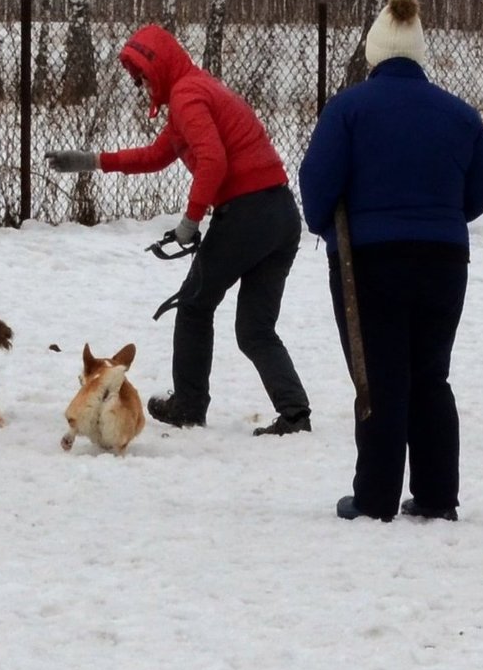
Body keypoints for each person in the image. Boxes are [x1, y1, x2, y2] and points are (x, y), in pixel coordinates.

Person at [47, 24, 311, 434]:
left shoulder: (188, 96)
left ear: (158, 65)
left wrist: (191, 219)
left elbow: (213, 161)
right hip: (280, 215)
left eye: (141, 75)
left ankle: (189, 404)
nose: (139, 84)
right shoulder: (198, 90)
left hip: (246, 215)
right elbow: (156, 155)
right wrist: (93, 160)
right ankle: (294, 412)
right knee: (256, 328)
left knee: (193, 305)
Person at [298, 0, 483, 524]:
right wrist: (440, 219)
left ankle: (376, 497)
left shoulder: (348, 110)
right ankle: (435, 496)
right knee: (430, 375)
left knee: (381, 376)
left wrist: (335, 232)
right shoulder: (460, 115)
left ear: (375, 52)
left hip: (370, 262)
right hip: (445, 262)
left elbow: (316, 188)